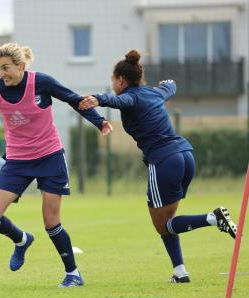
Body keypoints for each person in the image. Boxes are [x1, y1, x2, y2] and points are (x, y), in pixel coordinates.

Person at [79, 49, 238, 283]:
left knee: (162, 225)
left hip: (164, 161)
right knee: (169, 221)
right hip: (185, 155)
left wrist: (99, 99)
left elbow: (120, 100)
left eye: (113, 80)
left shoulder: (132, 96)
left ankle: (212, 218)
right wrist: (167, 82)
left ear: (121, 80)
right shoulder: (156, 92)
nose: (112, 85)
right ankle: (180, 272)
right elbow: (171, 85)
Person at [0, 42, 113, 287]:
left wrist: (99, 122)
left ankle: (72, 274)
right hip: (16, 161)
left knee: (51, 221)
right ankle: (22, 240)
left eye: (6, 68)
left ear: (21, 66)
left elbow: (73, 99)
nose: (2, 73)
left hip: (49, 157)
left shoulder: (42, 82)